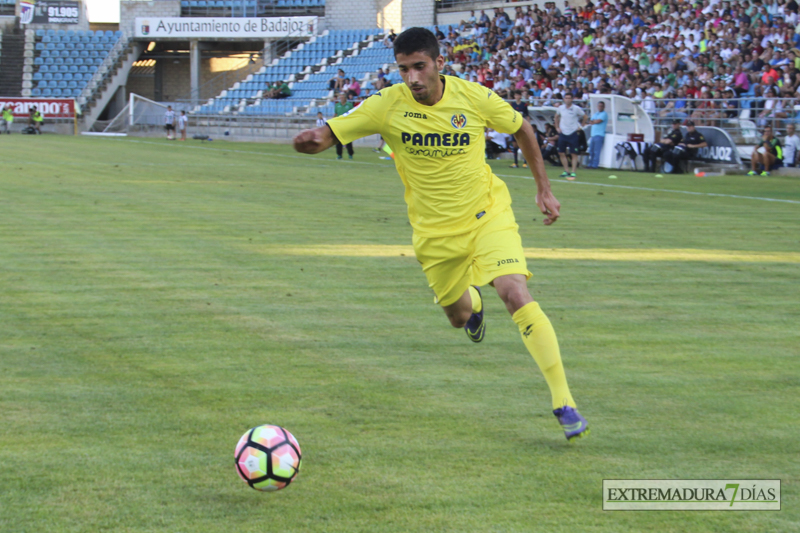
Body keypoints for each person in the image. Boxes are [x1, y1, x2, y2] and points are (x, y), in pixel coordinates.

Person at [292, 27, 589, 441]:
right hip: (434, 235)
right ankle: (473, 303)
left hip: (487, 215)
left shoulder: (474, 97)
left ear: (438, 64)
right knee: (458, 316)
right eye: (403, 70)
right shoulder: (386, 105)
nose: (412, 78)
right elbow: (329, 133)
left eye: (419, 67)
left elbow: (522, 128)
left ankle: (564, 401)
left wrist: (544, 187)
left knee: (515, 291)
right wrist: (310, 140)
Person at [554, 93, 585, 179]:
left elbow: (584, 116)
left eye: (569, 98)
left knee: (574, 153)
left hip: (572, 133)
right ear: (564, 99)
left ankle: (573, 171)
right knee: (561, 152)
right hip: (563, 132)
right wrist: (557, 127)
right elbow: (556, 117)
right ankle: (566, 170)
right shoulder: (561, 108)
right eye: (566, 98)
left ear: (572, 99)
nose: (567, 100)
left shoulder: (576, 108)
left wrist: (581, 126)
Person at [509, 91, 530, 168]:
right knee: (514, 144)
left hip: (521, 126)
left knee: (523, 144)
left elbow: (527, 116)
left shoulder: (524, 105)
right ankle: (515, 162)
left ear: (520, 96)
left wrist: (528, 125)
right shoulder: (512, 105)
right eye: (515, 95)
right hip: (514, 126)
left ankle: (525, 162)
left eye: (518, 95)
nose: (517, 96)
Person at [586, 101, 608, 169]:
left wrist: (593, 121)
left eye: (601, 106)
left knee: (596, 151)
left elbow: (598, 121)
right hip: (593, 135)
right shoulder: (596, 114)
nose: (600, 107)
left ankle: (594, 165)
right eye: (599, 106)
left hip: (599, 135)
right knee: (591, 151)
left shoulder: (604, 114)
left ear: (604, 107)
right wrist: (593, 121)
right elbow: (591, 121)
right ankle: (590, 164)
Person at [333, 93, 354, 160]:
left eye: (342, 97)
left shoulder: (349, 105)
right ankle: (339, 155)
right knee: (338, 140)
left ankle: (350, 154)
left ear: (345, 98)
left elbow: (353, 113)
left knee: (348, 140)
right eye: (340, 97)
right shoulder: (337, 105)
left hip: (347, 124)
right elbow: (335, 114)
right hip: (339, 125)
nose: (341, 99)